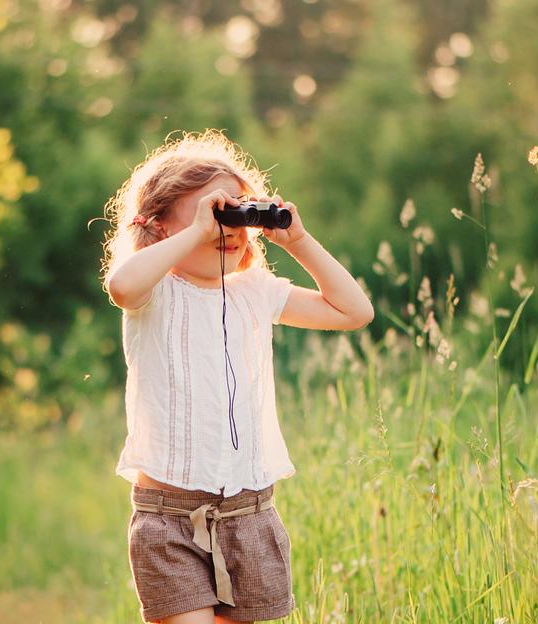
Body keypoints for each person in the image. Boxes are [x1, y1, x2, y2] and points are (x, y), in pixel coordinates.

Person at [102, 130, 373, 623]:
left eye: (235, 212)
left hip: (250, 514)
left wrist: (300, 241)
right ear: (161, 228)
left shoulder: (256, 291)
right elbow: (121, 284)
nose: (225, 227)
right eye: (213, 212)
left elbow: (354, 312)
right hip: (168, 517)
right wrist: (197, 232)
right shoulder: (155, 292)